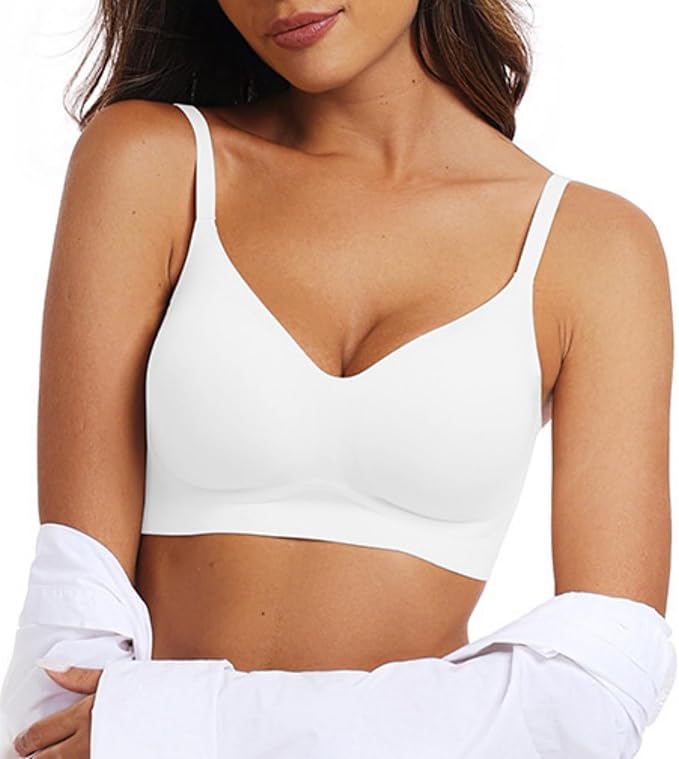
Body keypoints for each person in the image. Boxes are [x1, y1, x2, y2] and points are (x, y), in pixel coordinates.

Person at [0, 1, 675, 757]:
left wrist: (186, 724)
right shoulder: (155, 165)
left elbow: (598, 688)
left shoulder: (593, 249)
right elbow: (62, 664)